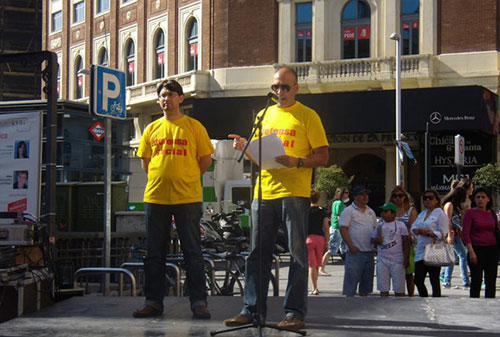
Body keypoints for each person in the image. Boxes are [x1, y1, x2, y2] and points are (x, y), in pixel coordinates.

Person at [223, 66, 329, 331]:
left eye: (284, 87)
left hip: (294, 194)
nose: (279, 92)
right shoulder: (264, 114)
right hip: (264, 192)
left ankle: (294, 313)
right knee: (257, 253)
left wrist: (299, 161)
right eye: (275, 87)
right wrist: (245, 147)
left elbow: (324, 156)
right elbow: (260, 156)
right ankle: (252, 310)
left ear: (296, 88)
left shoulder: (308, 115)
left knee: (297, 254)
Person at [133, 79, 215, 319]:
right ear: (158, 100)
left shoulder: (194, 127)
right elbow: (146, 163)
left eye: (170, 94)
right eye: (162, 95)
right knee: (155, 253)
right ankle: (153, 302)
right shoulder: (151, 128)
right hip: (156, 198)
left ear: (180, 98)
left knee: (192, 252)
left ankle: (198, 302)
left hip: (187, 198)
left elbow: (205, 160)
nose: (166, 99)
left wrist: (186, 177)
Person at [339, 186, 377, 297]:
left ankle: (363, 306)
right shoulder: (348, 211)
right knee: (351, 284)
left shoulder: (371, 212)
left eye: (366, 194)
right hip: (355, 252)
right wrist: (350, 246)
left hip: (369, 252)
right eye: (362, 194)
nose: (365, 197)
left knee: (366, 285)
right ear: (355, 196)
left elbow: (375, 229)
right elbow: (343, 229)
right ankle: (348, 307)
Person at [411, 189, 449, 297]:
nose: (428, 200)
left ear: (436, 200)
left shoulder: (440, 214)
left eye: (431, 198)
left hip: (433, 249)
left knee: (434, 279)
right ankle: (424, 297)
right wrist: (416, 230)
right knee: (418, 279)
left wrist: (429, 233)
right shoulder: (422, 214)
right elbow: (413, 227)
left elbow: (444, 233)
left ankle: (436, 299)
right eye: (425, 198)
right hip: (421, 250)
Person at [462, 187, 499, 298]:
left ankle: (490, 302)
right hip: (476, 248)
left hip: (492, 249)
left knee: (491, 279)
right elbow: (465, 233)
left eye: (483, 197)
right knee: (476, 279)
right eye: (478, 197)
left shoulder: (492, 213)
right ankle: (474, 303)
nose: (480, 200)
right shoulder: (470, 213)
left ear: (488, 199)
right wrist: (471, 252)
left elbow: (496, 229)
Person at [372, 202, 410, 297]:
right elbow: (372, 240)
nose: (383, 214)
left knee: (399, 287)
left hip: (397, 259)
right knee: (383, 287)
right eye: (382, 212)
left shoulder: (400, 225)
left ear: (393, 214)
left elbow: (406, 242)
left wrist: (406, 258)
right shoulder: (379, 225)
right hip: (382, 259)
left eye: (386, 211)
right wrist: (377, 240)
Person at [440, 187, 470, 289]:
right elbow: (447, 220)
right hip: (453, 233)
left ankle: (447, 280)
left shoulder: (455, 207)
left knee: (455, 257)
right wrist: (449, 234)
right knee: (461, 255)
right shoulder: (449, 205)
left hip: (456, 233)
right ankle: (463, 280)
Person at [389, 186, 417, 296]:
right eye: (395, 196)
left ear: (405, 197)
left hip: (407, 245)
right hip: (393, 245)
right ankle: (399, 294)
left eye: (400, 195)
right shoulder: (390, 209)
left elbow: (411, 228)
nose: (397, 198)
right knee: (396, 273)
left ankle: (411, 295)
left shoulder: (410, 210)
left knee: (409, 274)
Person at [319, 187, 349, 275]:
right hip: (338, 229)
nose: (347, 194)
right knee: (332, 249)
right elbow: (340, 216)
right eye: (346, 193)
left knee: (343, 249)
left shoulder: (336, 203)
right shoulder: (339, 203)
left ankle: (321, 267)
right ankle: (321, 268)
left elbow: (333, 215)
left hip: (336, 227)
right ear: (341, 194)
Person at [306, 189, 329, 295]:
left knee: (311, 264)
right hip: (320, 238)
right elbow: (326, 227)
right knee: (316, 264)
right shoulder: (322, 211)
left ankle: (313, 287)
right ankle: (316, 286)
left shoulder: (305, 210)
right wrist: (327, 241)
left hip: (308, 238)